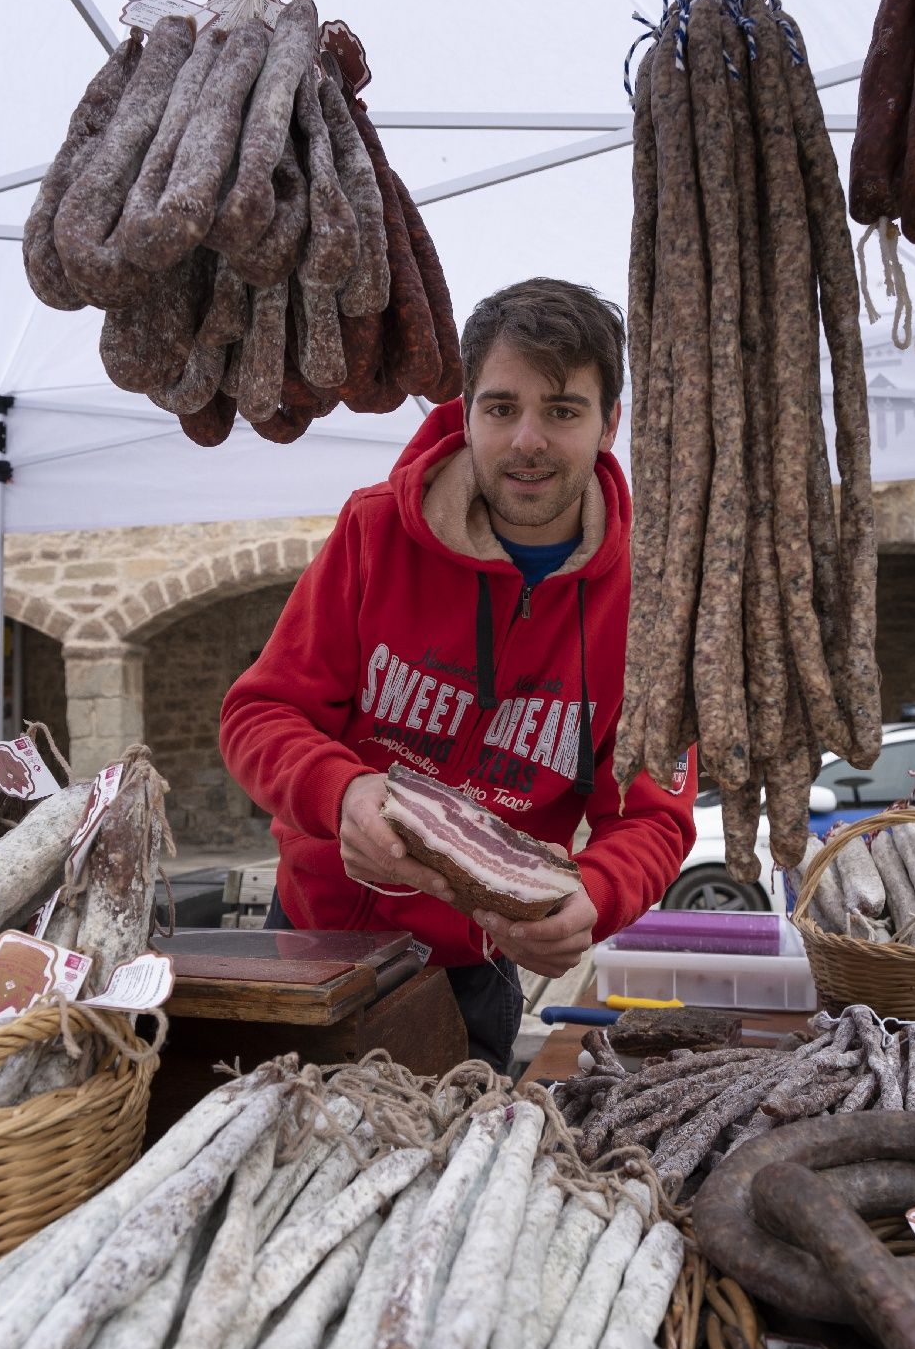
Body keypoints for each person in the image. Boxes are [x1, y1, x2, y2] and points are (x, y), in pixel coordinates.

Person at [219, 276, 697, 1071]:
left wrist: (597, 895)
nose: (527, 441)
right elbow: (260, 714)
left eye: (562, 410)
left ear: (610, 423)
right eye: (502, 408)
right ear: (467, 410)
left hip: (472, 969)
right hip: (313, 940)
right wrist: (339, 793)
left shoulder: (655, 601)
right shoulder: (375, 532)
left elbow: (653, 814)